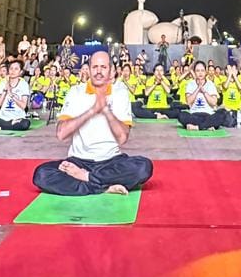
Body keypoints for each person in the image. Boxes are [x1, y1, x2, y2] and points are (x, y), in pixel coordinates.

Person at [32, 50, 153, 196]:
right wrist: (92, 110)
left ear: (111, 71)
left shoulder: (120, 93)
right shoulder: (76, 92)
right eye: (95, 67)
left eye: (103, 67)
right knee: (42, 174)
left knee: (143, 167)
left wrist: (106, 110)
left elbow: (122, 137)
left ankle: (87, 179)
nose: (99, 71)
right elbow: (61, 134)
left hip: (110, 161)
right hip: (78, 161)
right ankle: (104, 186)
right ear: (89, 70)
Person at [0, 60, 32, 130]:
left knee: (25, 124)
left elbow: (23, 106)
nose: (13, 71)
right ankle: (9, 125)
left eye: (16, 69)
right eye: (11, 68)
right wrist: (5, 90)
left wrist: (11, 95)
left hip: (18, 118)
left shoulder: (24, 84)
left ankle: (2, 127)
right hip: (3, 118)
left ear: (21, 72)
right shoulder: (3, 83)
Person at [177, 61, 225, 130]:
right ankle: (206, 126)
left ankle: (197, 127)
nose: (200, 73)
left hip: (208, 115)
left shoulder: (210, 84)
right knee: (181, 115)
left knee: (222, 114)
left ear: (206, 72)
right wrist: (198, 88)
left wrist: (204, 91)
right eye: (197, 71)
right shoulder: (190, 84)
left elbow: (214, 103)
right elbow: (189, 101)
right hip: (194, 115)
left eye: (202, 70)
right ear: (194, 72)